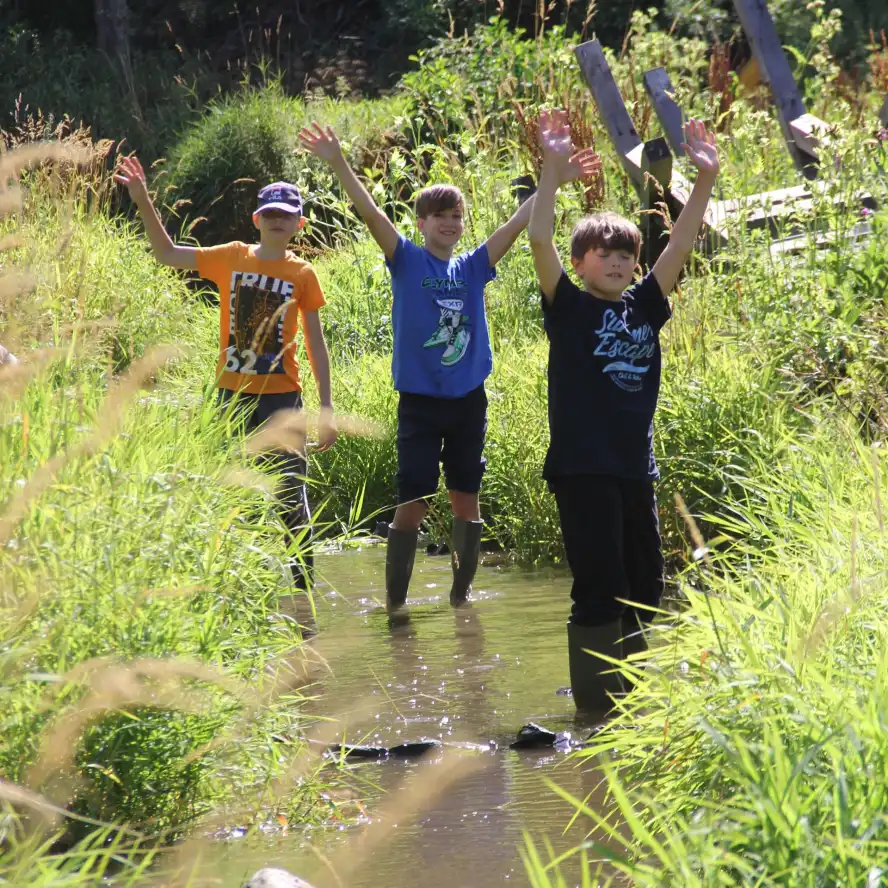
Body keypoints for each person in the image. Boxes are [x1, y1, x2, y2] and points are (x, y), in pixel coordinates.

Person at [298, 122, 598, 616]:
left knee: (466, 500)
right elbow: (370, 213)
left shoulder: (474, 266)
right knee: (413, 500)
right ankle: (396, 605)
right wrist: (337, 163)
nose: (450, 223)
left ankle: (461, 602)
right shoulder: (407, 261)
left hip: (467, 403)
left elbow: (520, 222)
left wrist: (553, 179)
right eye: (439, 216)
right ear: (421, 223)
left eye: (457, 215)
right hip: (418, 404)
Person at [528, 109, 720, 713]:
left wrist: (706, 179)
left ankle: (630, 702)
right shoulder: (569, 309)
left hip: (635, 469)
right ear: (580, 263)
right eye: (602, 254)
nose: (615, 262)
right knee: (599, 590)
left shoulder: (644, 306)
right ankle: (593, 713)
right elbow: (537, 239)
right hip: (582, 468)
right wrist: (551, 176)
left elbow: (682, 241)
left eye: (624, 255)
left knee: (646, 587)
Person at [114, 158, 337, 588]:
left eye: (285, 215)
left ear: (299, 224)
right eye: (269, 213)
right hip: (230, 400)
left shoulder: (302, 274)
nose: (276, 220)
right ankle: (235, 592)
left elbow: (316, 345)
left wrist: (326, 409)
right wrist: (143, 201)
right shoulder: (231, 258)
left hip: (282, 401)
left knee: (292, 500)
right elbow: (167, 254)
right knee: (234, 497)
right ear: (257, 219)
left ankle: (303, 594)